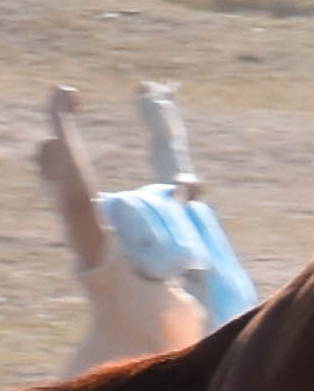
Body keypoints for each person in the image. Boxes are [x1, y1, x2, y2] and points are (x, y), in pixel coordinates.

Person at [31, 85, 259, 371]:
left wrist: (59, 121)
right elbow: (174, 188)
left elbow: (79, 207)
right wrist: (160, 111)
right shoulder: (203, 307)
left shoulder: (131, 296)